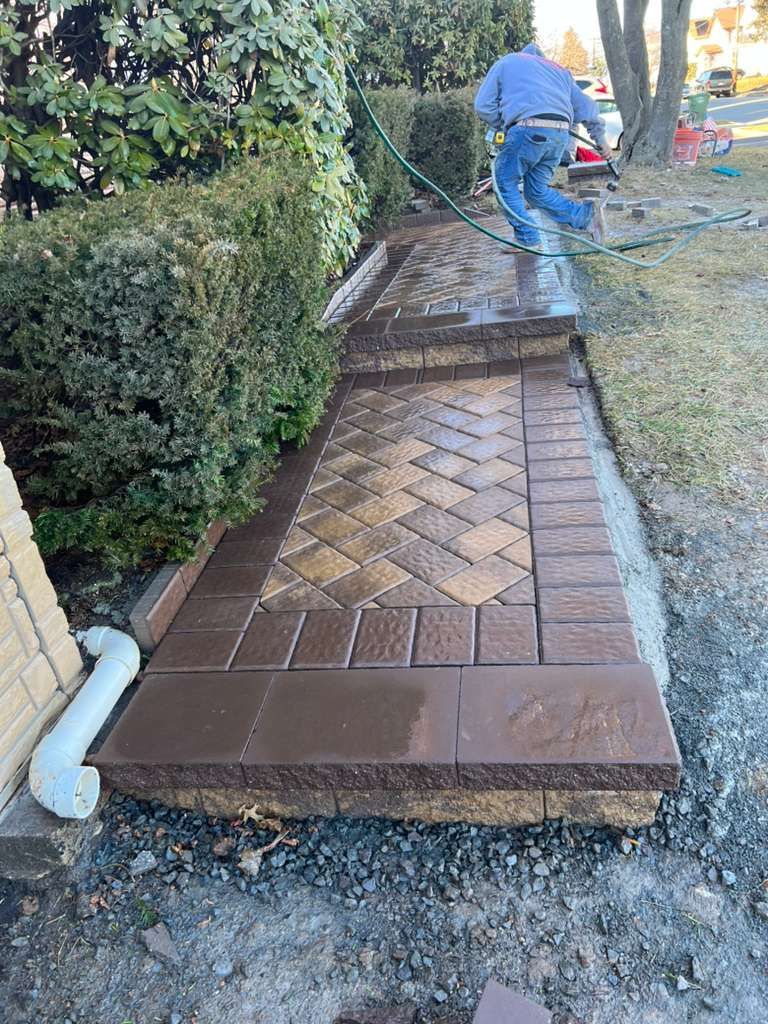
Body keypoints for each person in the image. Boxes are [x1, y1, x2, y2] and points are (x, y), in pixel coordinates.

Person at [474, 42, 612, 248]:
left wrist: (503, 126)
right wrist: (601, 141)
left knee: (504, 183)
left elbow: (483, 106)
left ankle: (527, 239)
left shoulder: (508, 61)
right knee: (536, 190)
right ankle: (584, 217)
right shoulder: (559, 71)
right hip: (559, 135)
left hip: (528, 128)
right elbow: (587, 107)